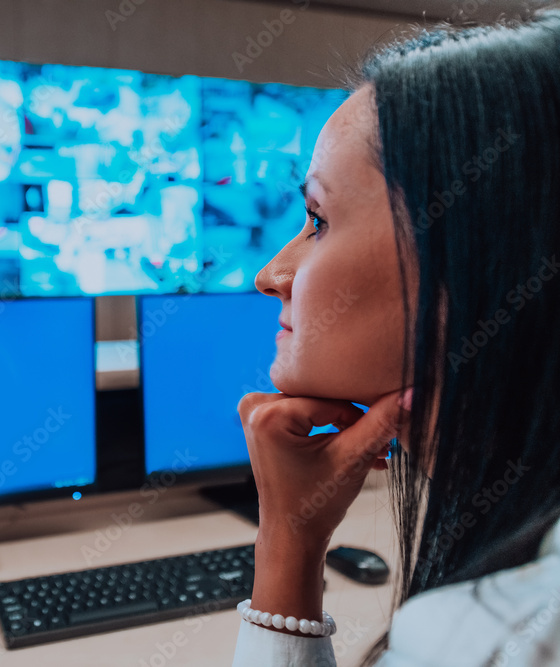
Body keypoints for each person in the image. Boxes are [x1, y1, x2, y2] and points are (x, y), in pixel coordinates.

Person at [231, 7, 560, 666]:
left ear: (476, 255)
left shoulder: (494, 633)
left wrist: (283, 548)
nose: (271, 275)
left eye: (318, 221)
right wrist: (294, 538)